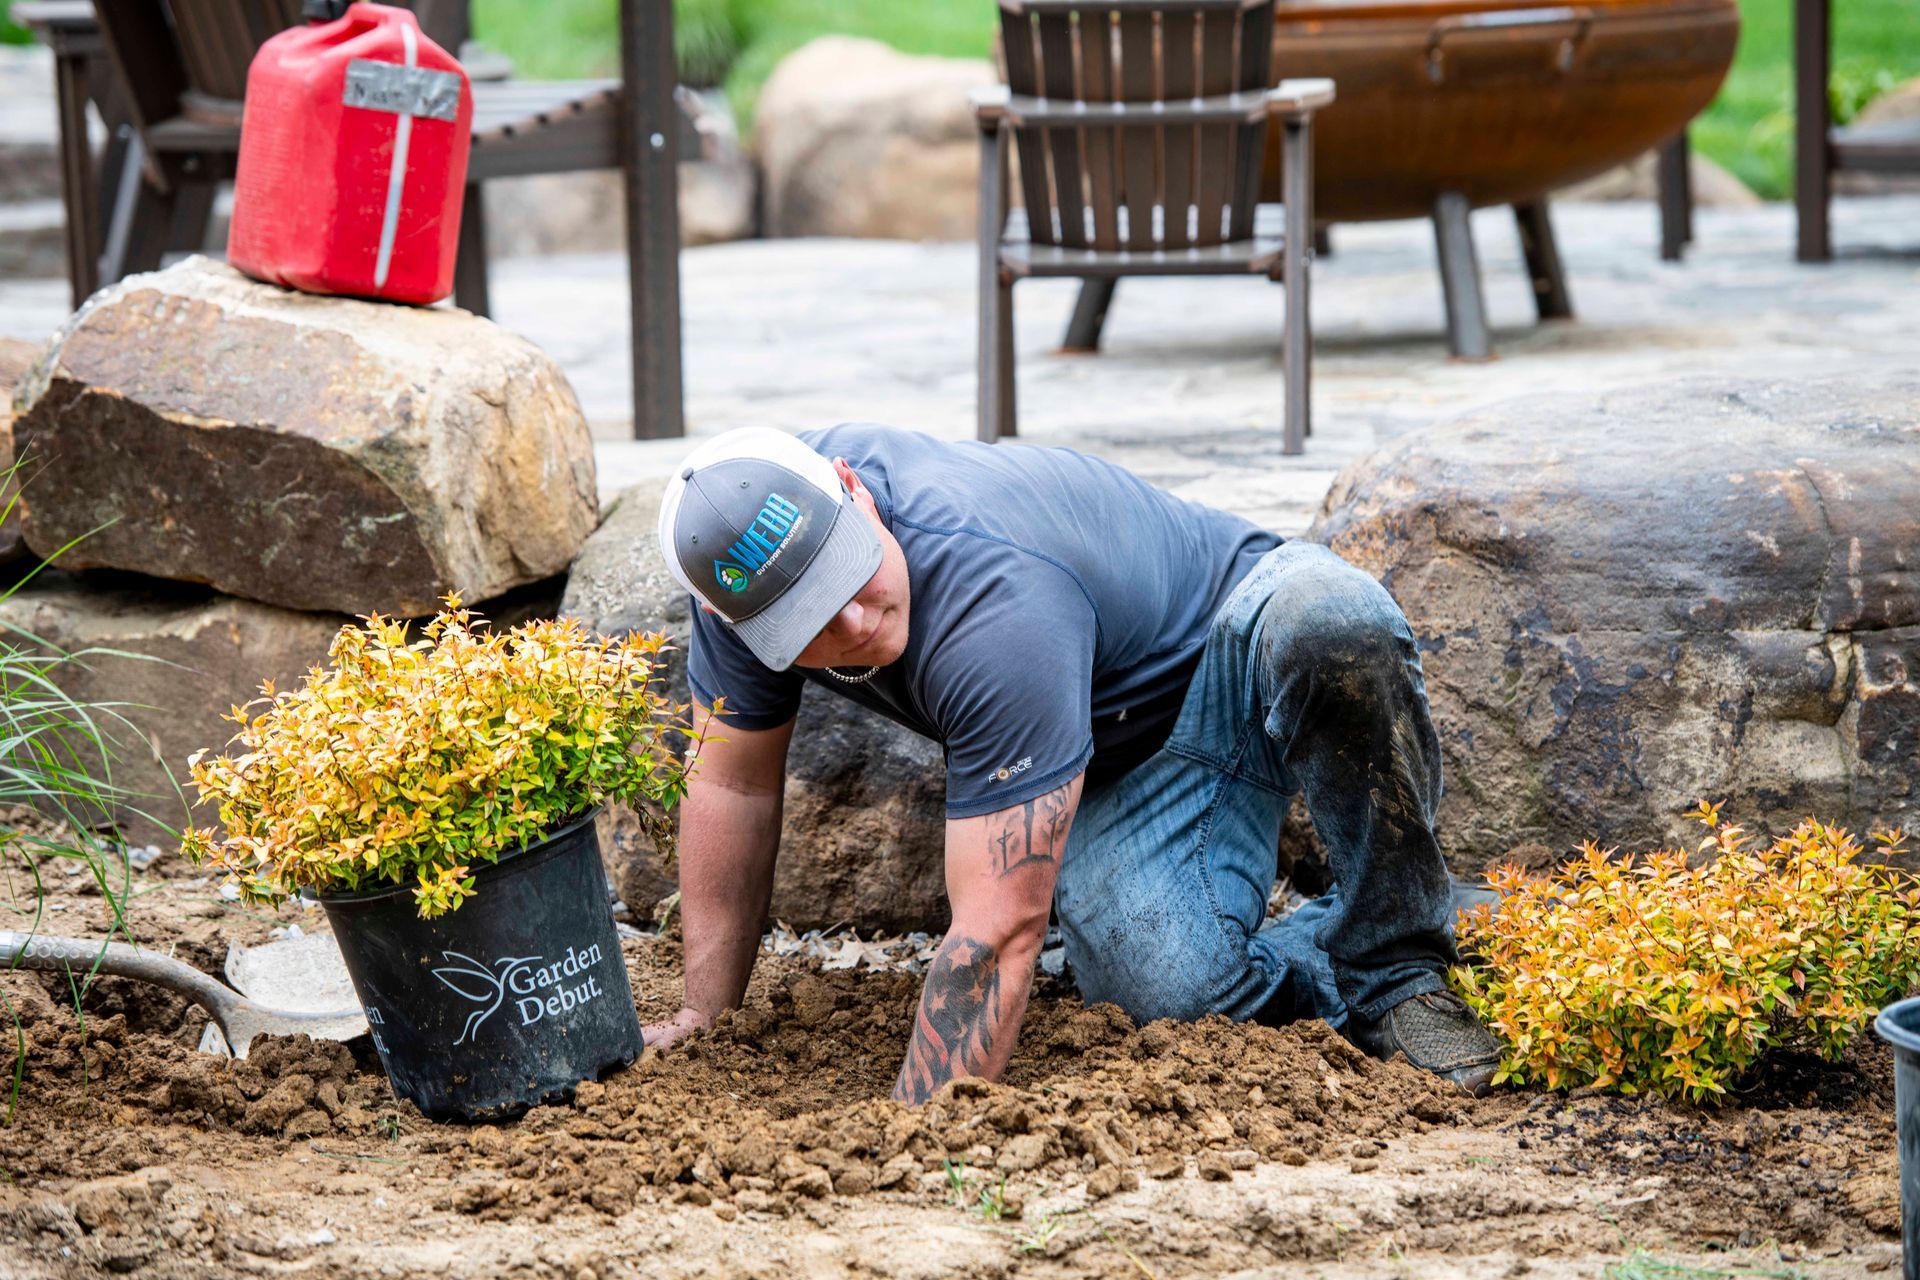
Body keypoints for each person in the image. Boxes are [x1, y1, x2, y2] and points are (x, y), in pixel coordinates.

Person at [645, 424, 1501, 1102]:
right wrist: (702, 1014)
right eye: (812, 622)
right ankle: (1445, 917)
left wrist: (921, 1134)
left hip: (1235, 630)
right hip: (1112, 755)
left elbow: (1001, 929)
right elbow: (730, 785)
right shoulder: (743, 588)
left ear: (856, 493)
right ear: (739, 623)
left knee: (1333, 621)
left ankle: (1399, 971)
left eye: (852, 573)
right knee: (1171, 993)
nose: (858, 624)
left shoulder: (990, 593)